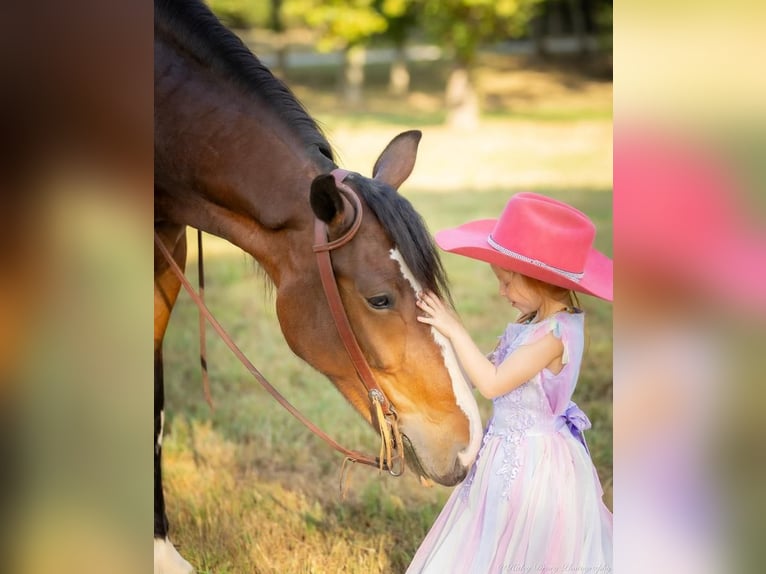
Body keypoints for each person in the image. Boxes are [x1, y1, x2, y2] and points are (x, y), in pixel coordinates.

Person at [407, 192, 613, 573]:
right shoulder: (530, 324)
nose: (501, 292)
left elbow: (493, 383)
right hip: (502, 453)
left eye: (506, 282)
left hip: (532, 465)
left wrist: (455, 329)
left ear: (538, 279)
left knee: (523, 543)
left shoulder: (554, 333)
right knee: (488, 534)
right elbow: (479, 372)